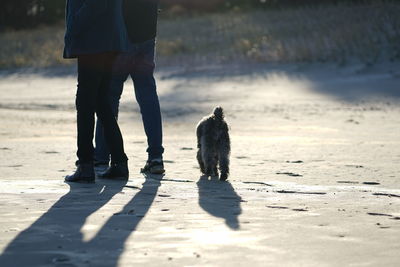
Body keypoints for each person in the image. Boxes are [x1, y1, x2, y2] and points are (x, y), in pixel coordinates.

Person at [94, 0, 165, 174]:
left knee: (109, 97)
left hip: (122, 36)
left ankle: (102, 156)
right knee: (148, 97)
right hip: (147, 33)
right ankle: (156, 157)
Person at [64, 0, 130, 183]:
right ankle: (119, 162)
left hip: (93, 42)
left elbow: (96, 4)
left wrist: (74, 24)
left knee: (85, 104)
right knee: (101, 102)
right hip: (106, 40)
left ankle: (85, 164)